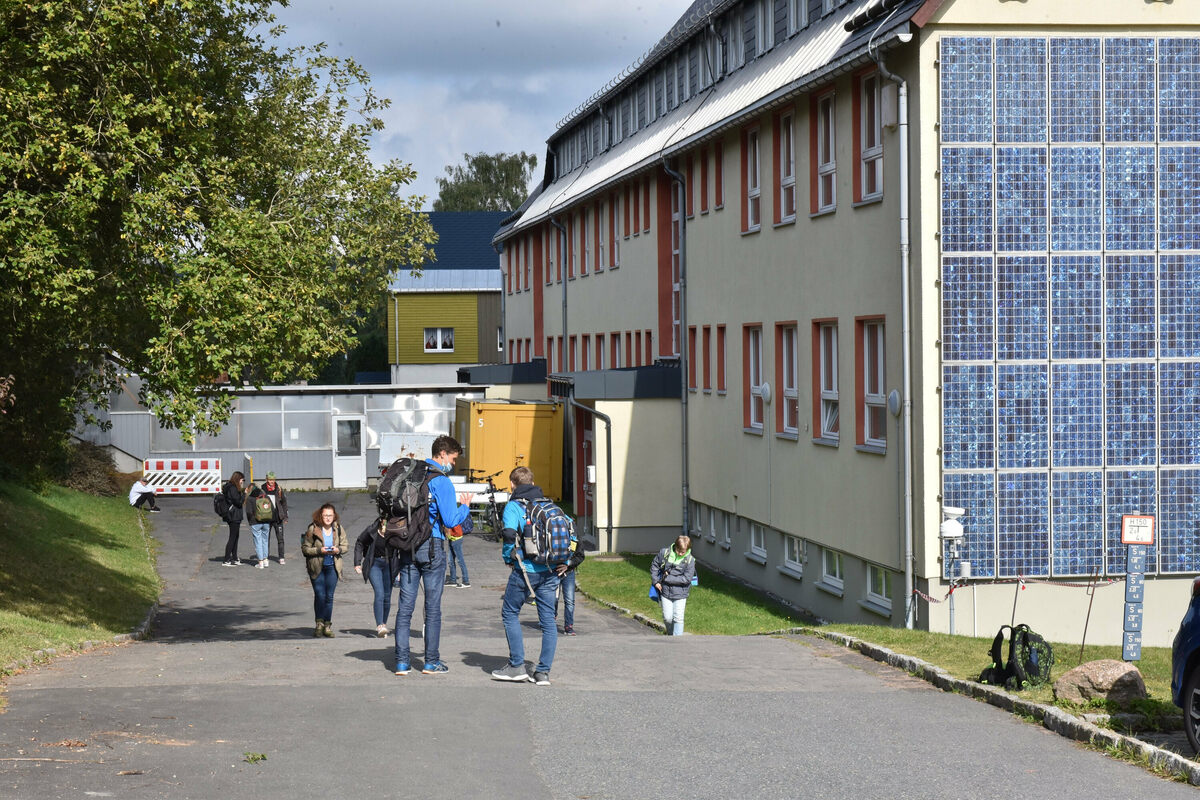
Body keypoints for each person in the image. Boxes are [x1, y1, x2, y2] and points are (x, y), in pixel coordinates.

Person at [392, 435, 474, 676]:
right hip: (432, 546)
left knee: (405, 607)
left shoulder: (413, 474)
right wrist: (465, 507)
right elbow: (449, 520)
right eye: (453, 458)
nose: (453, 463)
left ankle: (402, 662)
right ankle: (431, 662)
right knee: (432, 607)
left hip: (408, 545)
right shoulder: (442, 482)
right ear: (443, 454)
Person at [490, 466, 563, 686]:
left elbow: (509, 534)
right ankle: (542, 672)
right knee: (548, 621)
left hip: (526, 570)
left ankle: (516, 666)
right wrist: (566, 562)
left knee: (510, 612)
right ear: (532, 483)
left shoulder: (513, 506)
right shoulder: (548, 505)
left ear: (513, 484)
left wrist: (508, 557)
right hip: (550, 570)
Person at [301, 503, 349, 638]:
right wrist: (318, 550)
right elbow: (305, 549)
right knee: (320, 595)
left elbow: (345, 546)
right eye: (325, 515)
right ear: (320, 516)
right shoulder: (313, 529)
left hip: (332, 567)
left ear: (334, 516)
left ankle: (327, 625)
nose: (328, 518)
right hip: (317, 567)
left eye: (330, 515)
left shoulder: (338, 529)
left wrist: (338, 549)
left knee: (329, 597)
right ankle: (319, 624)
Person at [354, 518, 393, 637]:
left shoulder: (395, 530)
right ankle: (380, 625)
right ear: (381, 520)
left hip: (389, 564)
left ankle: (384, 624)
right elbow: (360, 542)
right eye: (385, 520)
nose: (386, 523)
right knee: (380, 593)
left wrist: (401, 568)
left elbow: (401, 549)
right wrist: (357, 562)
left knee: (387, 596)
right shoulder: (372, 530)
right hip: (374, 564)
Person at [651, 535, 696, 636]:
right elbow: (654, 565)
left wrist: (667, 578)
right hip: (665, 591)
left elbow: (686, 579)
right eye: (678, 550)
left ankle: (677, 641)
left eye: (683, 552)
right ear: (675, 546)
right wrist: (656, 582)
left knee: (678, 617)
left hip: (681, 593)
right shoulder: (664, 553)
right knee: (667, 618)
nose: (680, 553)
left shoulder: (690, 560)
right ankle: (671, 637)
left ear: (687, 550)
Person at [556, 540, 585, 635]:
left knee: (569, 600)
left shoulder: (574, 535)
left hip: (569, 572)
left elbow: (580, 555)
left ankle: (569, 626)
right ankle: (550, 620)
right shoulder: (551, 529)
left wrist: (568, 563)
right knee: (552, 599)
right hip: (552, 571)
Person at [259, 472, 289, 565]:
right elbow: (258, 503)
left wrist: (285, 516)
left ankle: (281, 557)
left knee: (280, 538)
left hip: (278, 518)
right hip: (266, 518)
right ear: (266, 479)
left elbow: (284, 502)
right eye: (270, 480)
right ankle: (265, 556)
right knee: (265, 538)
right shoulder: (263, 488)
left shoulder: (278, 488)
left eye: (273, 480)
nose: (272, 482)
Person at [220, 472, 246, 566]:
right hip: (233, 515)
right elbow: (238, 502)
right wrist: (244, 494)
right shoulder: (233, 488)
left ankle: (234, 558)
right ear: (238, 479)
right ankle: (226, 559)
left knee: (235, 537)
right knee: (232, 537)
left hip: (233, 515)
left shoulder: (230, 487)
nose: (242, 482)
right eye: (242, 480)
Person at [245, 480, 272, 569]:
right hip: (266, 521)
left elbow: (248, 512)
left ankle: (260, 562)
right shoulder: (265, 496)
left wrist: (251, 520)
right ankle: (266, 560)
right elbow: (271, 507)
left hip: (255, 522)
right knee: (265, 540)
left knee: (258, 541)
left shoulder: (250, 498)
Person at [445, 515, 471, 589]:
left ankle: (466, 581)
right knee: (450, 560)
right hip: (452, 539)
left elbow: (452, 525)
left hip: (456, 539)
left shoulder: (452, 514)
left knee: (460, 560)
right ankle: (453, 580)